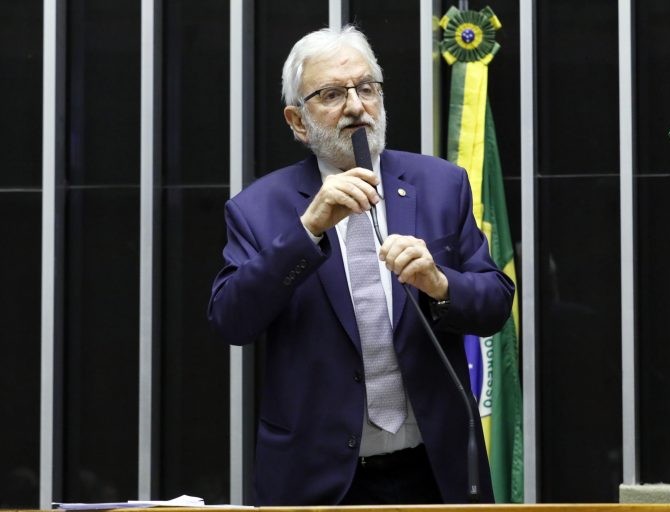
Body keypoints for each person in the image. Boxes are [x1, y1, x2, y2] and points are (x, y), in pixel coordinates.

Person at [207, 25, 514, 506]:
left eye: (365, 88)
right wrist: (306, 230)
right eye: (331, 94)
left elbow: (495, 302)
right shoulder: (259, 208)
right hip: (317, 478)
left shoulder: (440, 185)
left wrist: (439, 283)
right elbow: (231, 319)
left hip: (435, 470)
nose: (355, 106)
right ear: (298, 120)